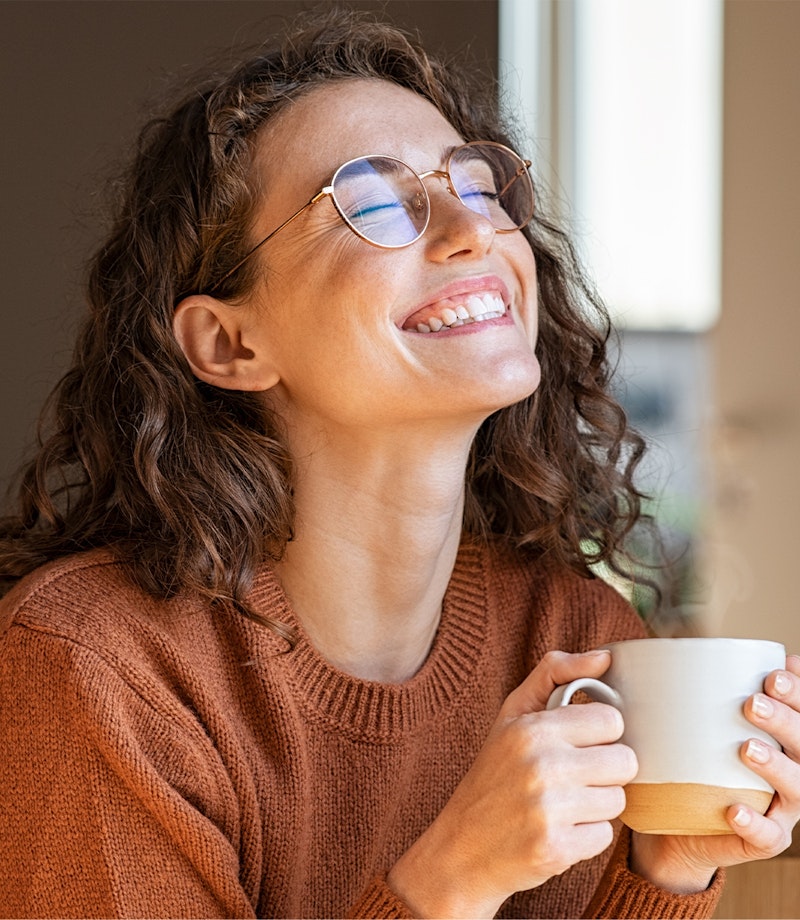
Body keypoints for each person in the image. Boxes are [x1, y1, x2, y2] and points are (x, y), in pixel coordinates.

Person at [1, 10, 798, 919]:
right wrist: (452, 881)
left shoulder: (574, 633)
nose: (473, 230)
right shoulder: (100, 670)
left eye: (479, 185)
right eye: (374, 203)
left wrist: (666, 872)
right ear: (228, 343)